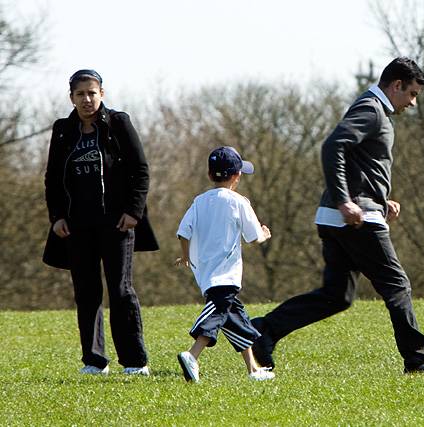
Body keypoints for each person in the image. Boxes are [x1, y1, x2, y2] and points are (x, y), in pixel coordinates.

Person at [250, 57, 424, 375]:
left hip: (342, 216)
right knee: (397, 285)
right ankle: (418, 360)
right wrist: (346, 201)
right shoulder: (371, 109)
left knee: (337, 295)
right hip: (354, 220)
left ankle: (263, 332)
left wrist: (382, 201)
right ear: (396, 85)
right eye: (412, 94)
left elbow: (359, 163)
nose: (413, 103)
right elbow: (333, 147)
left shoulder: (374, 110)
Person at [43, 69, 158, 375]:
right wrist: (57, 218)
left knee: (121, 290)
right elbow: (53, 179)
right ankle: (94, 361)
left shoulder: (118, 123)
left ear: (102, 94)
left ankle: (135, 362)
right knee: (86, 291)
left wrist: (134, 211)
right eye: (80, 94)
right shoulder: (63, 130)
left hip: (117, 224)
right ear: (72, 98)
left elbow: (140, 170)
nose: (87, 99)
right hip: (77, 226)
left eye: (92, 93)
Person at [175, 146, 275, 383]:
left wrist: (186, 255)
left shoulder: (199, 201)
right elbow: (253, 237)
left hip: (206, 273)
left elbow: (183, 231)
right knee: (218, 310)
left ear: (210, 175)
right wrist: (264, 234)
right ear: (237, 176)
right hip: (227, 274)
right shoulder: (239, 201)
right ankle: (192, 354)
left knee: (236, 320)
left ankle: (252, 369)